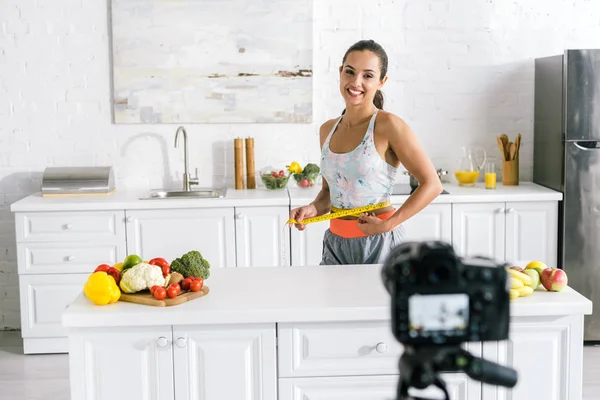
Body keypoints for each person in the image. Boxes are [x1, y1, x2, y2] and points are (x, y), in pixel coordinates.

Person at [289, 39, 442, 265]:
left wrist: (389, 224)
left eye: (368, 75)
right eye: (349, 72)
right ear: (341, 73)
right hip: (335, 242)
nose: (356, 82)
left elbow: (432, 184)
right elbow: (328, 191)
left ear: (382, 82)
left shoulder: (389, 126)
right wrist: (313, 208)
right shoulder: (327, 130)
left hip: (380, 242)